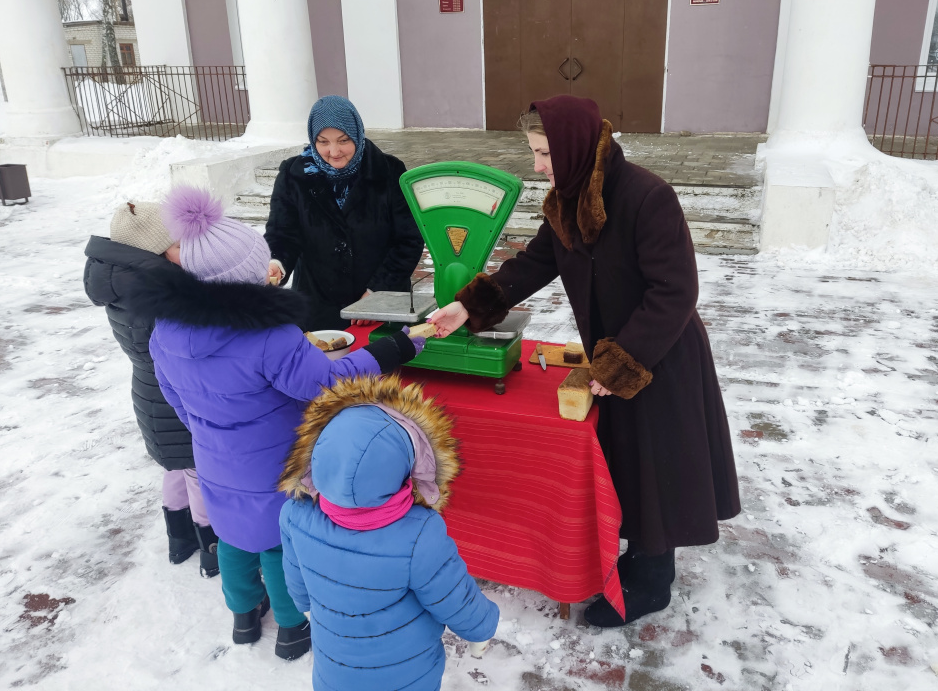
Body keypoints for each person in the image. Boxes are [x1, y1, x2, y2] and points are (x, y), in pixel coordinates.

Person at [430, 95, 741, 628]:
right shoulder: (568, 198)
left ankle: (651, 582)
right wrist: (468, 305)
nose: (538, 166)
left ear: (574, 147)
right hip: (610, 355)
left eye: (544, 153)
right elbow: (534, 263)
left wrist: (621, 363)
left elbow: (675, 291)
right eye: (534, 152)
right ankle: (638, 554)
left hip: (658, 354)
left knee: (655, 465)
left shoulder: (648, 196)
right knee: (626, 460)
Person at [129, 186, 424, 661]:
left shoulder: (166, 329)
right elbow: (325, 382)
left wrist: (208, 432)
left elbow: (175, 399)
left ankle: (244, 619)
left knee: (233, 538)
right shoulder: (268, 334)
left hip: (214, 457)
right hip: (276, 464)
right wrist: (391, 350)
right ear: (247, 276)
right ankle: (290, 629)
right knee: (278, 545)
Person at [278, 375, 500, 690]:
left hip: (334, 672)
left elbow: (295, 574)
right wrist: (482, 629)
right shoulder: (418, 535)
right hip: (407, 676)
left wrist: (305, 605)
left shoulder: (296, 515)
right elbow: (452, 596)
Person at [83, 201, 219, 577]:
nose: (188, 250)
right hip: (174, 397)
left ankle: (180, 540)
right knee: (197, 472)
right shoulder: (156, 291)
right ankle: (212, 549)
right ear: (156, 250)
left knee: (175, 467)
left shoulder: (120, 278)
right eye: (180, 244)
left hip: (149, 393)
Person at [264, 95, 424, 331]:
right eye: (323, 142)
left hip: (381, 307)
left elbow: (408, 240)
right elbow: (282, 233)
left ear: (357, 135)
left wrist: (376, 293)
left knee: (379, 367)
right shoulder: (294, 175)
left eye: (343, 140)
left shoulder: (388, 172)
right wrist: (277, 261)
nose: (334, 151)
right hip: (317, 308)